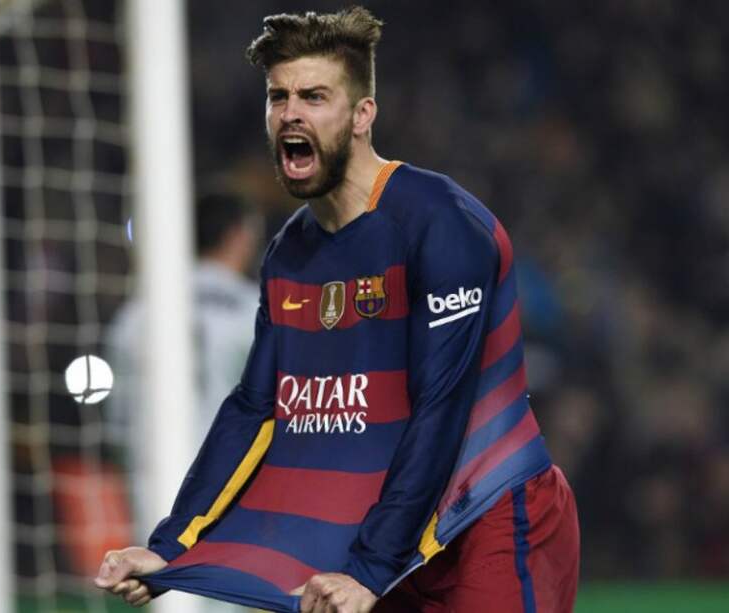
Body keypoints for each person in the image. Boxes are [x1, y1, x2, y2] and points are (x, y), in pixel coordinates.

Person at [96, 7, 579, 613]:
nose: (290, 112)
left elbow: (441, 405)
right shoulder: (289, 254)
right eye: (279, 96)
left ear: (361, 116)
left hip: (487, 516)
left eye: (314, 96)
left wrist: (371, 569)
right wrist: (171, 546)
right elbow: (256, 407)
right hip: (384, 536)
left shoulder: (440, 225)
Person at [105, 192, 261, 613]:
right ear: (239, 236)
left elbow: (117, 418)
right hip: (236, 481)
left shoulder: (136, 315)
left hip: (155, 476)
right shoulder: (259, 312)